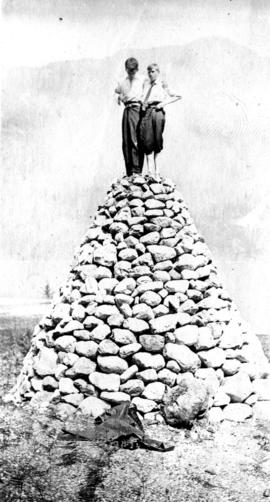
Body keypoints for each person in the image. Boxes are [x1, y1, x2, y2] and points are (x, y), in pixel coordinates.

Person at [139, 63, 181, 177]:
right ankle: (149, 172)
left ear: (158, 72)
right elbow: (143, 97)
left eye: (153, 71)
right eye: (149, 71)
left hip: (157, 112)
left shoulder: (162, 84)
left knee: (157, 141)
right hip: (147, 112)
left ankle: (157, 172)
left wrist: (163, 104)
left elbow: (177, 96)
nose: (150, 74)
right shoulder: (146, 84)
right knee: (147, 141)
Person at [115, 57, 146, 176]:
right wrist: (119, 97)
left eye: (133, 70)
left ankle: (137, 170)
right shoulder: (122, 81)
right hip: (127, 110)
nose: (131, 73)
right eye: (128, 70)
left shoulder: (143, 79)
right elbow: (117, 92)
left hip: (137, 110)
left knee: (136, 139)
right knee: (126, 140)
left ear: (137, 69)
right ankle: (129, 171)